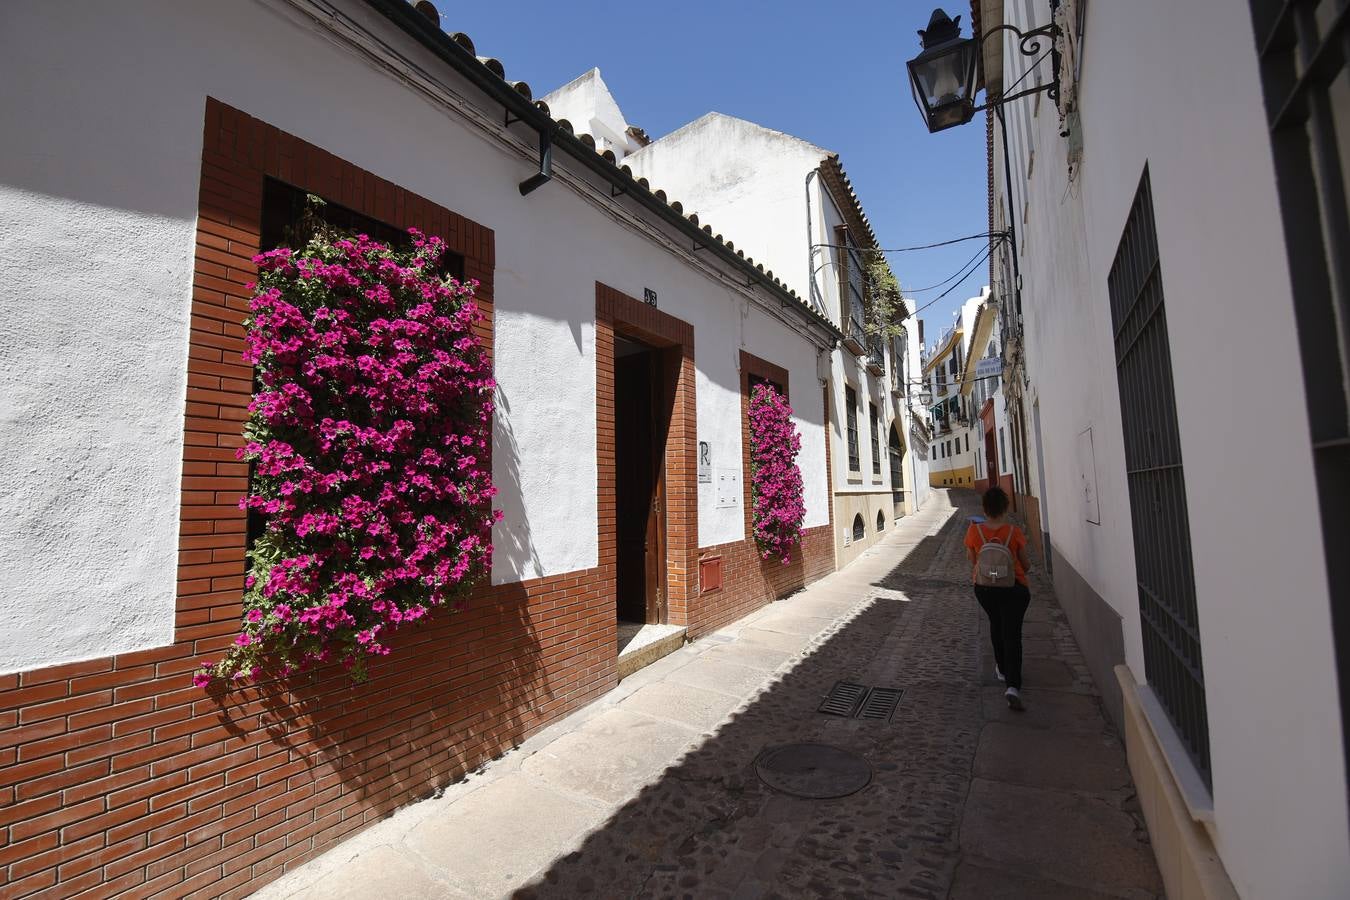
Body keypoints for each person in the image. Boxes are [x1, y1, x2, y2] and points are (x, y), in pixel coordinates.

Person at [964, 486, 1032, 710]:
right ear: (1005, 508)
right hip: (1013, 588)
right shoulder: (1014, 532)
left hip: (985, 589)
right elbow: (1026, 565)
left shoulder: (974, 532)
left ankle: (1001, 669)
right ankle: (1013, 686)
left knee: (996, 624)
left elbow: (973, 561)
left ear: (984, 509)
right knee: (1012, 634)